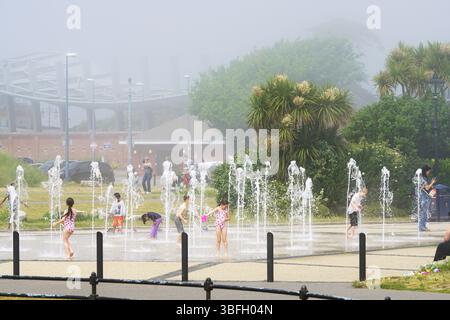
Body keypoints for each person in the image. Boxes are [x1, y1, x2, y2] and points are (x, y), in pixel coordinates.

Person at [419, 165, 437, 232]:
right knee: (423, 212)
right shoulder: (422, 178)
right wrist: (432, 182)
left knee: (425, 212)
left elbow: (427, 187)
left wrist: (432, 185)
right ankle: (421, 227)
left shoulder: (425, 178)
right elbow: (426, 188)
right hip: (424, 197)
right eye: (428, 171)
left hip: (426, 196)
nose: (429, 172)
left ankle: (424, 226)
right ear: (425, 171)